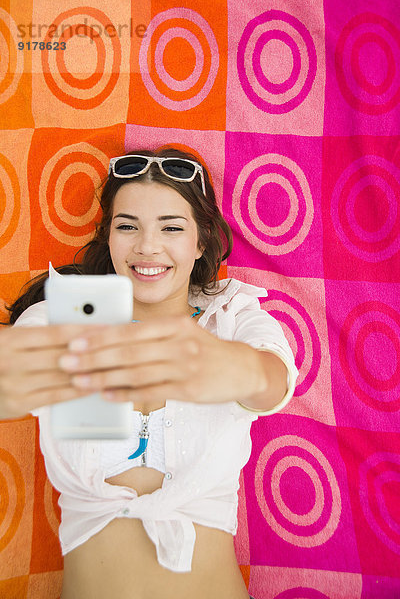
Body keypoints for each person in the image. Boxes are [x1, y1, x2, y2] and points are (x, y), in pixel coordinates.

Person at [0, 147, 298, 599]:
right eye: (127, 226)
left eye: (171, 227)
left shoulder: (232, 317)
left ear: (201, 242)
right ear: (110, 239)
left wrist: (233, 368)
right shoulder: (64, 315)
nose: (147, 246)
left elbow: (273, 380)